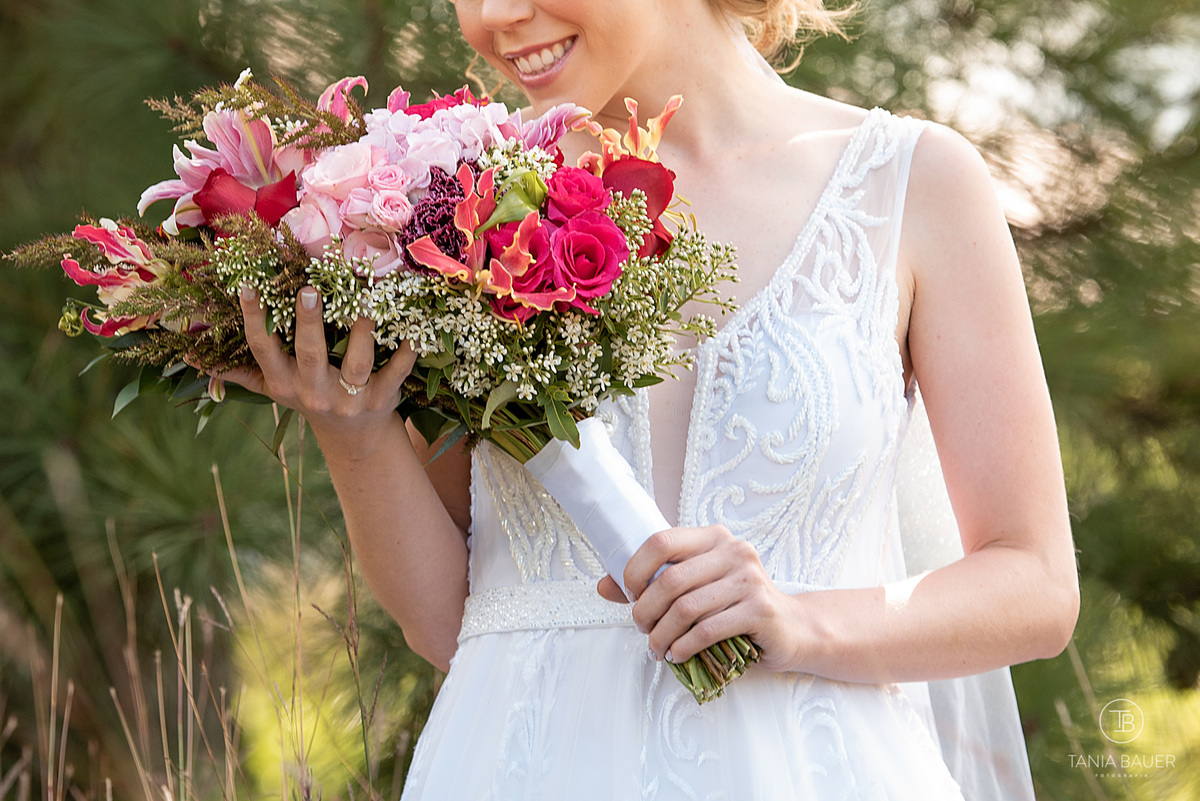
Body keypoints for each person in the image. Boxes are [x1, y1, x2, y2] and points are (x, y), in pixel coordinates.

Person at [217, 0, 1080, 796]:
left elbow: (1036, 585)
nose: (493, 17)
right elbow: (451, 623)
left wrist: (801, 620)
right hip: (522, 764)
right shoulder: (449, 205)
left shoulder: (912, 183)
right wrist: (353, 430)